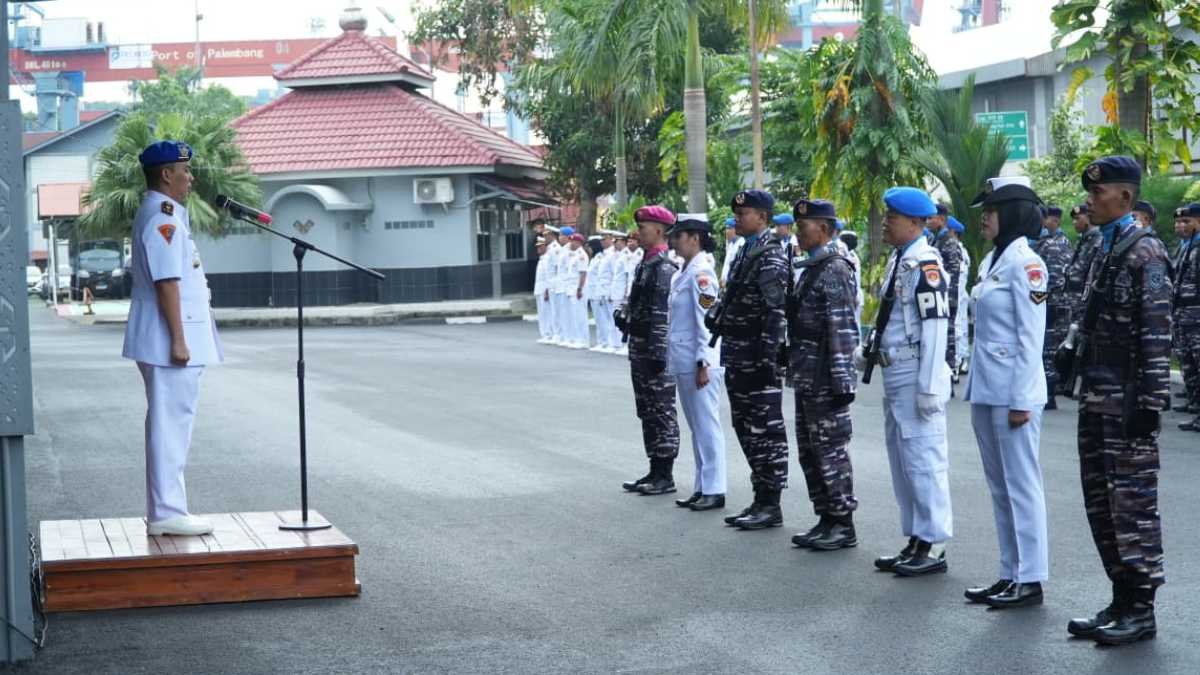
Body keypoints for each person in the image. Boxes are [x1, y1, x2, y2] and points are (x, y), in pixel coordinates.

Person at [1063, 156, 1170, 646]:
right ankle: (1121, 598)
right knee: (1102, 507)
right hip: (1096, 397)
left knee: (1132, 508)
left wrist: (1149, 404)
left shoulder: (1146, 253)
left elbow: (1156, 334)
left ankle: (1142, 609)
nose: (1089, 201)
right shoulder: (1104, 247)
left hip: (1126, 402)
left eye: (1098, 193)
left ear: (1125, 197)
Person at [122, 140, 222, 536]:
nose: (190, 178)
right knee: (170, 425)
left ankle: (167, 509)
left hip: (169, 338)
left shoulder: (166, 214)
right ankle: (166, 512)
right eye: (185, 171)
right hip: (169, 341)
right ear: (166, 175)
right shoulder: (162, 219)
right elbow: (167, 282)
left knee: (173, 423)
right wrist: (179, 340)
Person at [963, 178, 1050, 609]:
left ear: (1013, 213)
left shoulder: (1027, 264)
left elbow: (1031, 337)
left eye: (992, 210)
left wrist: (1020, 399)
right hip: (986, 389)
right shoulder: (992, 260)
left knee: (1021, 486)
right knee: (1000, 488)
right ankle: (1009, 572)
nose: (984, 217)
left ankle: (1030, 578)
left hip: (1015, 394)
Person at [859, 186, 953, 577]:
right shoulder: (902, 260)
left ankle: (934, 543)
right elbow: (890, 318)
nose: (885, 223)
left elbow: (935, 328)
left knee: (924, 460)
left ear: (915, 222)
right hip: (896, 371)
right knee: (903, 460)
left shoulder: (926, 265)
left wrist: (929, 386)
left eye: (892, 218)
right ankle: (916, 537)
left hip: (916, 373)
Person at [712, 190, 790, 530]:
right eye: (737, 213)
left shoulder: (770, 255)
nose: (737, 218)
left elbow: (775, 313)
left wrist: (767, 360)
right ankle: (760, 498)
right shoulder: (746, 250)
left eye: (743, 214)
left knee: (765, 430)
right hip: (739, 354)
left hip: (758, 359)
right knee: (745, 426)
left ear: (762, 217)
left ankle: (770, 503)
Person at [786, 199, 860, 551]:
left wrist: (843, 381)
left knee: (830, 452)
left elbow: (842, 327)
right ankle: (826, 517)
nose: (798, 234)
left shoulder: (834, 269)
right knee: (810, 451)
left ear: (825, 229)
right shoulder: (813, 266)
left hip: (825, 378)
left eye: (804, 227)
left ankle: (843, 523)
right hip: (807, 374)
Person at [666, 214, 727, 511]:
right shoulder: (683, 272)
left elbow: (706, 322)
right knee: (697, 427)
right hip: (684, 358)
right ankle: (702, 486)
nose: (674, 241)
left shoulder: (702, 274)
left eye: (679, 236)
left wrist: (704, 362)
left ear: (695, 238)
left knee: (707, 426)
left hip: (699, 361)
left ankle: (715, 489)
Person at [619, 206, 681, 495]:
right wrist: (624, 315)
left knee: (661, 410)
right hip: (640, 345)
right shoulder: (645, 264)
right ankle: (654, 468)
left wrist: (658, 354)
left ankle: (665, 474)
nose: (638, 233)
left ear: (658, 230)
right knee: (646, 408)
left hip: (654, 350)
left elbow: (661, 314)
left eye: (643, 228)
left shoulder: (664, 267)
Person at [1033, 206, 1073, 409]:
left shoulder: (1052, 245)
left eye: (1045, 219)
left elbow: (1051, 282)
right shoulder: (1055, 242)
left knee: (1047, 348)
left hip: (1051, 303)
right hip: (1054, 302)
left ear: (1054, 220)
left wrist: (1035, 304)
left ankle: (1049, 392)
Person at [929, 204, 965, 382]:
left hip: (947, 297)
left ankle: (949, 377)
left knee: (947, 338)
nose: (928, 221)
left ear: (941, 219)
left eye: (931, 218)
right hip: (939, 296)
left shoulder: (949, 242)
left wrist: (945, 296)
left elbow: (952, 273)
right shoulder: (937, 240)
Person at [1172, 203, 1200, 430]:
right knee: (1189, 362)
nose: (1182, 225)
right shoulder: (1188, 246)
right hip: (1184, 314)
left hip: (1196, 314)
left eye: (1187, 221)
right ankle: (1195, 404)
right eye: (1180, 222)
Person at [1064, 204, 1102, 363]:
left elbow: (1091, 276)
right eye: (1073, 219)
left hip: (1083, 302)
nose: (1074, 222)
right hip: (1073, 301)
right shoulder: (1084, 240)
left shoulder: (1097, 240)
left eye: (1078, 218)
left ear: (1088, 218)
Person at [947, 217, 971, 376]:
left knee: (957, 328)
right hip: (960, 297)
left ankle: (956, 364)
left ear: (954, 232)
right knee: (960, 327)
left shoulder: (957, 251)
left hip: (957, 296)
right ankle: (961, 359)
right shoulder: (959, 250)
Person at [607, 232, 633, 353]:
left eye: (616, 242)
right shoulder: (620, 255)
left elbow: (629, 276)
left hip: (622, 292)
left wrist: (627, 292)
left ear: (622, 242)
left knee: (622, 318)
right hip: (616, 290)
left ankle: (623, 343)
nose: (615, 244)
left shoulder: (627, 256)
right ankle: (615, 343)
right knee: (615, 317)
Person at [564, 233, 590, 349]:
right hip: (571, 288)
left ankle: (584, 340)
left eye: (573, 241)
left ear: (579, 242)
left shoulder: (581, 255)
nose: (571, 243)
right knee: (574, 315)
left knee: (580, 315)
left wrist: (579, 289)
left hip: (578, 289)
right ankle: (576, 338)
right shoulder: (574, 255)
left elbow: (583, 274)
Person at [839, 229, 865, 324]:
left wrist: (854, 295)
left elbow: (853, 279)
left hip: (853, 296)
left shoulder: (851, 257)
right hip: (852, 295)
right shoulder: (850, 255)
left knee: (853, 324)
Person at [534, 237, 553, 344]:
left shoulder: (547, 259)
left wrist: (547, 290)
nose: (538, 249)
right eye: (538, 247)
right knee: (541, 313)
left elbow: (548, 276)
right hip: (539, 289)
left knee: (547, 313)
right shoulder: (541, 259)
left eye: (541, 246)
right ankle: (544, 334)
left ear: (546, 247)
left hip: (544, 289)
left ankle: (549, 333)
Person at [721, 217, 744, 286]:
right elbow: (727, 264)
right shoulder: (731, 244)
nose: (726, 231)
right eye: (726, 229)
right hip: (725, 284)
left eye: (728, 228)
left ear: (735, 229)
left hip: (733, 284)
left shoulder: (741, 244)